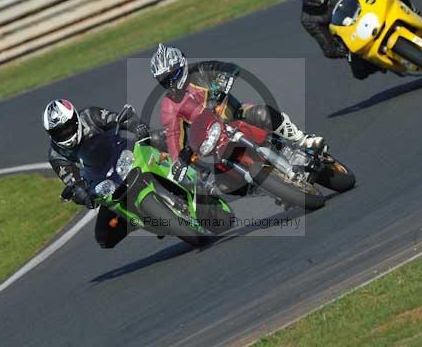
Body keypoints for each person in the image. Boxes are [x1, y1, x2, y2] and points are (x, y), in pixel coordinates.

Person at [149, 44, 325, 186]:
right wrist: (176, 162)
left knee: (262, 114)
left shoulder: (201, 71)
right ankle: (266, 188)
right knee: (224, 184)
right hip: (211, 138)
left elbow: (229, 68)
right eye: (165, 80)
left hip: (236, 115)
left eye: (173, 75)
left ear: (183, 64)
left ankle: (302, 139)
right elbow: (173, 135)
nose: (171, 83)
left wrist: (224, 78)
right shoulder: (168, 105)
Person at [42, 99, 148, 249]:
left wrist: (137, 126)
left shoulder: (90, 116)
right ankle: (147, 221)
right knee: (104, 237)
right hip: (108, 184)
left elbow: (117, 119)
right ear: (50, 134)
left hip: (127, 155)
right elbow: (73, 182)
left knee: (156, 138)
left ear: (76, 120)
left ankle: (187, 165)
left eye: (67, 127)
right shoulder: (56, 155)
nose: (65, 133)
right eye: (59, 132)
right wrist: (82, 196)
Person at [290, 0, 418, 80]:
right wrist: (343, 51)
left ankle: (413, 14)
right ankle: (386, 63)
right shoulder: (308, 18)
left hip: (371, 8)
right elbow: (327, 47)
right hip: (355, 37)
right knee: (359, 71)